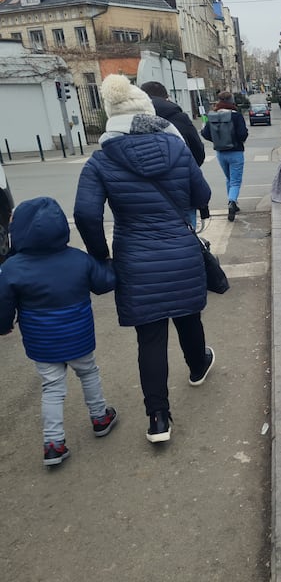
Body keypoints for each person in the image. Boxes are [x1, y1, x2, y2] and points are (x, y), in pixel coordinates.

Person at [74, 74, 215, 444]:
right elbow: (203, 192)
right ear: (148, 112)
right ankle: (198, 365)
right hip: (181, 251)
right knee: (187, 315)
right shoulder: (178, 148)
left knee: (150, 338)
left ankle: (158, 419)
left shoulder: (100, 162)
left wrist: (101, 257)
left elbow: (86, 215)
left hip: (135, 258)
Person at [0, 197, 118, 466]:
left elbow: (3, 304)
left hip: (42, 342)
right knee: (88, 373)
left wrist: (4, 325)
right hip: (79, 336)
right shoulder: (78, 259)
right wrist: (114, 265)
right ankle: (100, 418)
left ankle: (53, 444)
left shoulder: (11, 268)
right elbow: (103, 283)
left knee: (52, 387)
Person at [201, 90, 249, 222]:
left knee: (228, 178)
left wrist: (217, 140)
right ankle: (232, 202)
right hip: (236, 152)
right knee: (235, 181)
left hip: (221, 153)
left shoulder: (213, 115)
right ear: (231, 101)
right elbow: (242, 134)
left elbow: (205, 133)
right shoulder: (236, 116)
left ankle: (232, 202)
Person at [140, 80, 205, 167]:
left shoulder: (133, 120)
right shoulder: (180, 117)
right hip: (180, 169)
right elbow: (197, 149)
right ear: (166, 97)